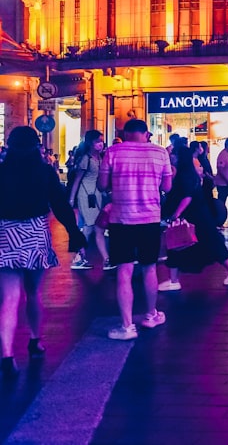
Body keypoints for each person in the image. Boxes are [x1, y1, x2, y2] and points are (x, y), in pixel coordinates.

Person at [0, 127, 85, 378]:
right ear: (37, 146)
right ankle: (35, 340)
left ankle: (6, 354)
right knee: (33, 293)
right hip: (34, 233)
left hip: (5, 234)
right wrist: (74, 232)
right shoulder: (44, 171)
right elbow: (59, 204)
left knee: (9, 298)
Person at [99, 118, 173, 341]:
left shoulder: (112, 152)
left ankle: (127, 326)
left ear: (125, 132)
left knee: (124, 270)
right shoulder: (160, 153)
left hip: (121, 218)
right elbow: (167, 187)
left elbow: (102, 185)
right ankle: (151, 315)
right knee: (150, 268)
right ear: (146, 133)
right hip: (150, 218)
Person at [158, 146, 228, 291]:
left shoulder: (184, 175)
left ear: (180, 157)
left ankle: (174, 280)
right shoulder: (189, 173)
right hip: (200, 215)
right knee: (211, 242)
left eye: (174, 154)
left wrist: (176, 214)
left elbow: (187, 196)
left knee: (176, 244)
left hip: (193, 216)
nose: (171, 156)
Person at [68, 130, 114, 271]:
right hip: (86, 196)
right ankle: (94, 258)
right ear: (90, 143)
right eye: (97, 141)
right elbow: (77, 180)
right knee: (93, 227)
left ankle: (83, 257)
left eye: (101, 141)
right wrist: (71, 198)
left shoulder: (99, 158)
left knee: (93, 227)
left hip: (97, 195)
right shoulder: (85, 159)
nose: (101, 144)